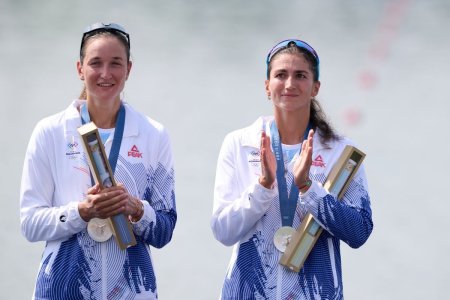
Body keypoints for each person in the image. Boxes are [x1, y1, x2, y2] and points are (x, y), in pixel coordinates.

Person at [20, 22, 177, 300]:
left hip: (133, 291)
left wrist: (137, 209)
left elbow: (164, 231)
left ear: (129, 69)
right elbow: (30, 223)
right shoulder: (50, 132)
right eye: (95, 63)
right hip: (61, 290)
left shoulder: (154, 134)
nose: (105, 74)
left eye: (115, 63)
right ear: (80, 69)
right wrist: (81, 211)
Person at [211, 39, 373, 299]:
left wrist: (309, 189)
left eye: (300, 75)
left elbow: (359, 232)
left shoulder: (341, 152)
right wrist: (263, 187)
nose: (289, 83)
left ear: (315, 87)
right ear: (267, 86)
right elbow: (223, 231)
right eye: (280, 75)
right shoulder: (241, 143)